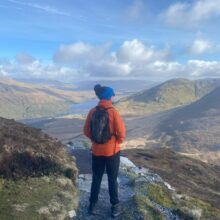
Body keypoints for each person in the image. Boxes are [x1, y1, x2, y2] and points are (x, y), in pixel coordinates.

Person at [83, 84, 126, 218]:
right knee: (112, 179)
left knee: (96, 178)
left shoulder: (92, 111)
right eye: (112, 95)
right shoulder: (113, 112)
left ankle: (92, 205)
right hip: (112, 152)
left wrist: (95, 140)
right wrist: (116, 142)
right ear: (109, 96)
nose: (113, 98)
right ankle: (114, 206)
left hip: (96, 151)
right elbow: (121, 133)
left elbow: (86, 131)